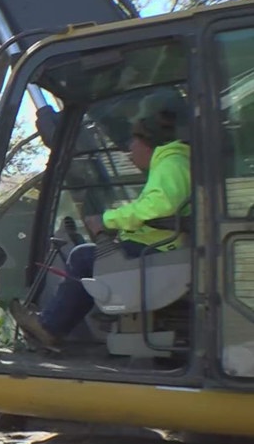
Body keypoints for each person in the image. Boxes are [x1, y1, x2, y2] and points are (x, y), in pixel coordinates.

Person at [10, 107, 191, 348]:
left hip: (158, 254)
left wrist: (107, 220)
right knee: (93, 258)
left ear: (147, 141)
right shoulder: (174, 164)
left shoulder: (171, 164)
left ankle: (50, 327)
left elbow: (158, 207)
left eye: (131, 143)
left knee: (83, 257)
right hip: (160, 251)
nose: (128, 152)